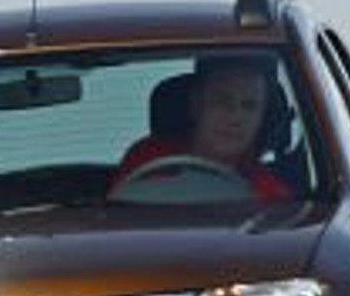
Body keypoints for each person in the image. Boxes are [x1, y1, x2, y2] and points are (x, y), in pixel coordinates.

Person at [109, 55, 292, 201]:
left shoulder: (270, 195)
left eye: (249, 106)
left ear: (261, 118)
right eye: (222, 102)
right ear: (197, 104)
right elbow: (113, 225)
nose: (235, 117)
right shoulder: (145, 157)